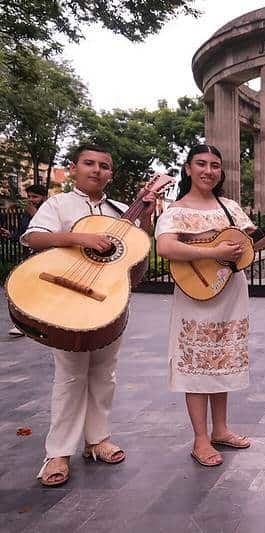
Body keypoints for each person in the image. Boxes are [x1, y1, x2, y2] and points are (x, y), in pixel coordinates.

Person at [21, 143, 156, 486]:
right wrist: (80, 237)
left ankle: (97, 439)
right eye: (89, 163)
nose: (97, 170)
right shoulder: (59, 203)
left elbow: (137, 250)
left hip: (108, 299)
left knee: (105, 373)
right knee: (69, 375)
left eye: (104, 166)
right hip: (68, 298)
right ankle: (58, 453)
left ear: (111, 174)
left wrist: (147, 216)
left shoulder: (121, 209)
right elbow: (33, 238)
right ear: (75, 167)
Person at [155, 144, 265, 467]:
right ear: (188, 169)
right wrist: (210, 253)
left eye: (215, 165)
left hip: (229, 292)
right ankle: (200, 440)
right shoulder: (177, 210)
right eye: (201, 164)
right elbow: (165, 246)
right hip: (195, 295)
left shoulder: (229, 207)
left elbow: (248, 244)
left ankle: (221, 429)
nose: (208, 171)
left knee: (221, 361)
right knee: (196, 365)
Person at [2, 183, 47, 336]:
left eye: (35, 197)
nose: (31, 200)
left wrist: (35, 213)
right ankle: (25, 325)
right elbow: (24, 234)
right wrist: (11, 235)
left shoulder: (49, 211)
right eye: (29, 197)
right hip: (29, 258)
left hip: (46, 258)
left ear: (44, 197)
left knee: (40, 292)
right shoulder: (27, 213)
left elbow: (52, 232)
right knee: (26, 290)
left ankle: (39, 324)